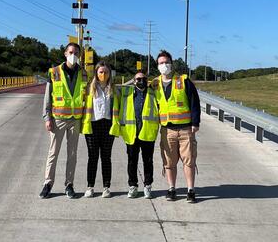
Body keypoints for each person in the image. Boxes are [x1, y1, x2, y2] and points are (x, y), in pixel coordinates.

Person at [39, 42, 89, 199]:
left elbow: (87, 98)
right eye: (71, 52)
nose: (73, 55)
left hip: (76, 120)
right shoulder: (54, 72)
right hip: (58, 119)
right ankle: (48, 183)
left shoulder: (84, 74)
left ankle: (69, 184)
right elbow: (48, 97)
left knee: (72, 154)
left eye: (76, 53)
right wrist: (47, 117)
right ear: (65, 53)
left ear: (80, 56)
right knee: (53, 152)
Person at [151, 50, 201, 203]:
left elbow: (194, 102)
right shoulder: (154, 84)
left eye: (166, 62)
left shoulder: (183, 80)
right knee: (169, 162)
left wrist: (195, 122)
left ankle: (190, 190)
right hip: (167, 130)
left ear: (171, 64)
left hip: (186, 129)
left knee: (189, 161)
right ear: (157, 66)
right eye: (161, 63)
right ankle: (171, 189)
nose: (164, 65)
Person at [114, 71, 159, 199]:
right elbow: (113, 89)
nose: (141, 81)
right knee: (132, 162)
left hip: (147, 133)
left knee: (148, 161)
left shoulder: (153, 93)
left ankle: (148, 186)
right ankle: (132, 186)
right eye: (138, 79)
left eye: (144, 79)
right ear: (133, 81)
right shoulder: (126, 93)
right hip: (131, 133)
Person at [82, 62, 119, 198]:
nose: (103, 74)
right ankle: (90, 186)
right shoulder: (89, 89)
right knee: (92, 157)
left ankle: (106, 187)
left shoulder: (114, 89)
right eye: (101, 72)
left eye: (106, 72)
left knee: (106, 157)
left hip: (108, 125)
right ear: (96, 74)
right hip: (92, 126)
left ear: (110, 74)